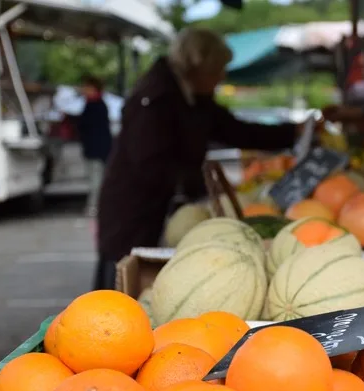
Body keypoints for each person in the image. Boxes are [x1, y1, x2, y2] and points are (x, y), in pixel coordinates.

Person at [94, 28, 300, 291]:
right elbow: (151, 167)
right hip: (132, 212)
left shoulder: (193, 95)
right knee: (121, 284)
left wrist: (294, 131)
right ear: (198, 66)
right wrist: (208, 183)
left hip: (159, 209)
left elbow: (235, 130)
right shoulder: (156, 99)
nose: (222, 76)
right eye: (218, 69)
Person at [78, 75, 112, 216]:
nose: (83, 90)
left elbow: (87, 126)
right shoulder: (97, 104)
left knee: (95, 179)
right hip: (98, 149)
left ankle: (95, 206)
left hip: (96, 149)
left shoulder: (94, 105)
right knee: (96, 178)